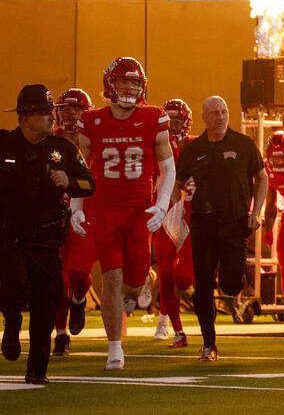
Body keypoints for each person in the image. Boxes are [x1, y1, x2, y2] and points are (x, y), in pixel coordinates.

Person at [0, 84, 95, 384]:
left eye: (52, 112)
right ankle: (11, 325)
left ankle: (38, 370)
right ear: (24, 117)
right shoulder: (1, 143)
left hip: (46, 240)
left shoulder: (64, 148)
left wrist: (69, 182)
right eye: (43, 113)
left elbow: (90, 184)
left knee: (47, 302)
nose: (52, 118)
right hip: (6, 235)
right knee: (17, 285)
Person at [73, 58, 175, 370]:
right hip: (104, 210)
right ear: (110, 85)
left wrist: (161, 205)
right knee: (112, 277)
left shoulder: (153, 117)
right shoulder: (92, 120)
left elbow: (168, 168)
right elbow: (80, 169)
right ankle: (114, 347)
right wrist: (76, 207)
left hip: (138, 211)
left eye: (135, 82)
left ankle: (137, 290)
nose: (130, 87)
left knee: (135, 280)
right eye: (124, 81)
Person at [175, 96, 267, 363]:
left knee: (230, 283)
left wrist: (256, 211)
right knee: (202, 286)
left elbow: (262, 177)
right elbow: (177, 182)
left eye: (224, 111)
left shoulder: (243, 144)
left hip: (235, 223)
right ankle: (208, 343)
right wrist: (171, 210)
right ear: (204, 116)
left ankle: (237, 282)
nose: (220, 116)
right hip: (203, 225)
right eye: (214, 112)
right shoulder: (194, 149)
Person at [51, 89, 96, 356]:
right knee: (58, 279)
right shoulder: (49, 140)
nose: (72, 114)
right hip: (53, 214)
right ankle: (60, 334)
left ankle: (79, 299)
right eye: (67, 109)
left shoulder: (93, 141)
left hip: (84, 215)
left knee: (78, 274)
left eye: (78, 110)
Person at [150, 100, 194, 348]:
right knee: (166, 273)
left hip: (189, 213)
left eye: (178, 122)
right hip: (165, 211)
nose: (174, 127)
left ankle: (168, 319)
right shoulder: (154, 144)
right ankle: (169, 325)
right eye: (170, 122)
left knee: (184, 278)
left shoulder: (195, 146)